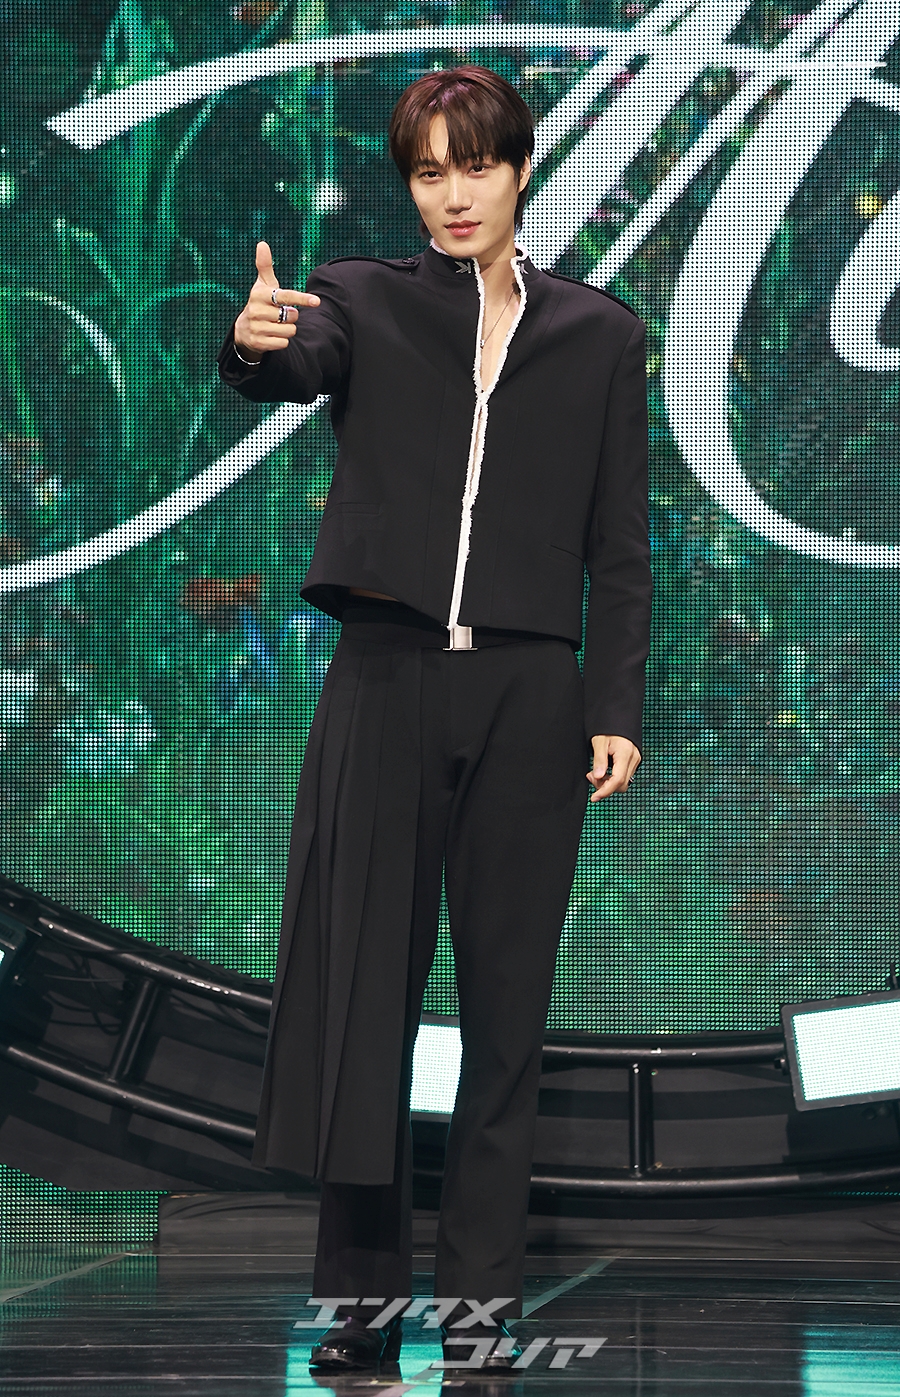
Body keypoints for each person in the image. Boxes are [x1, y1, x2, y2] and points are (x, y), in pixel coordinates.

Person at [216, 64, 651, 1373]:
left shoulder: (600, 334)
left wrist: (613, 703)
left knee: (507, 1026)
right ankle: (358, 1319)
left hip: (531, 696)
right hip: (387, 679)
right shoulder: (361, 297)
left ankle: (478, 1323)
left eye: (476, 165)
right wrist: (257, 342)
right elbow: (293, 362)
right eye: (428, 170)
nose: (454, 193)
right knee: (364, 1011)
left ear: (519, 170)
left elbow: (620, 546)